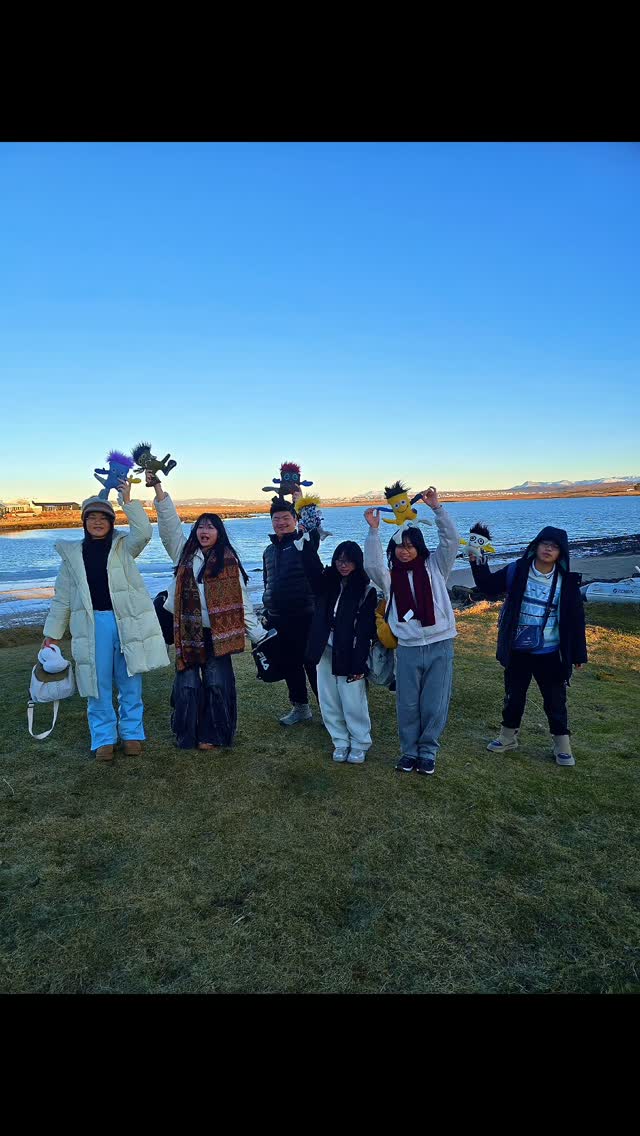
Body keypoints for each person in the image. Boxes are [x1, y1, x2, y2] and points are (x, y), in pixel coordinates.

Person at [42, 483, 169, 761]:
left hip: (126, 622)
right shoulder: (71, 556)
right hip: (92, 625)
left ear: (112, 522)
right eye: (92, 517)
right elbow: (62, 598)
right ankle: (103, 739)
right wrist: (52, 633)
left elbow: (145, 532)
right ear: (84, 522)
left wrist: (127, 500)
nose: (97, 522)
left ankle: (133, 734)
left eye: (103, 518)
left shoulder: (123, 546)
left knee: (130, 679)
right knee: (95, 684)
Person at [149, 474, 265, 750]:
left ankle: (212, 735)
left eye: (210, 527)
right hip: (188, 630)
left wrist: (258, 634)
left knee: (217, 683)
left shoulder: (229, 561)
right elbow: (169, 528)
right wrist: (158, 489)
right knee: (187, 685)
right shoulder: (184, 553)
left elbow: (241, 601)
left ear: (219, 532)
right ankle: (186, 733)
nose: (204, 531)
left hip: (218, 633)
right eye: (200, 526)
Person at [468, 525, 587, 766]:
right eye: (545, 544)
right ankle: (507, 737)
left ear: (561, 553)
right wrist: (476, 561)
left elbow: (576, 620)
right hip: (518, 649)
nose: (548, 549)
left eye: (554, 547)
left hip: (551, 652)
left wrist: (578, 654)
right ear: (535, 546)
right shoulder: (517, 570)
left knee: (555, 700)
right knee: (513, 696)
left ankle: (562, 746)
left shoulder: (567, 583)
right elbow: (489, 588)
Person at [364, 486, 459, 775]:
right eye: (399, 547)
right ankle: (408, 752)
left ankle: (427, 751)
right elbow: (372, 564)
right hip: (407, 647)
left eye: (410, 545)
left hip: (440, 644)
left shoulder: (436, 568)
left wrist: (438, 510)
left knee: (434, 703)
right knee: (407, 704)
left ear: (418, 547)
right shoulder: (390, 578)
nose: (404, 551)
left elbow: (450, 541)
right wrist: (374, 532)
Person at [302, 540, 377, 763]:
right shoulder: (328, 584)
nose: (343, 565)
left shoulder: (366, 590)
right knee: (328, 699)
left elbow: (365, 631)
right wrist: (309, 538)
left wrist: (359, 663)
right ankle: (340, 741)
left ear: (357, 562)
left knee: (353, 700)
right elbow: (310, 566)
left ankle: (360, 742)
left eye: (348, 561)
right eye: (339, 560)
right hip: (324, 649)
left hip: (350, 651)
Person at [262, 495, 319, 725]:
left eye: (286, 518)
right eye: (277, 519)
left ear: (295, 519)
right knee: (289, 664)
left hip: (305, 614)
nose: (281, 522)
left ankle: (329, 710)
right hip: (278, 618)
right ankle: (301, 708)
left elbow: (314, 529)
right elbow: (268, 581)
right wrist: (266, 609)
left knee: (313, 665)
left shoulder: (304, 542)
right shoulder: (268, 550)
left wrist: (300, 499)